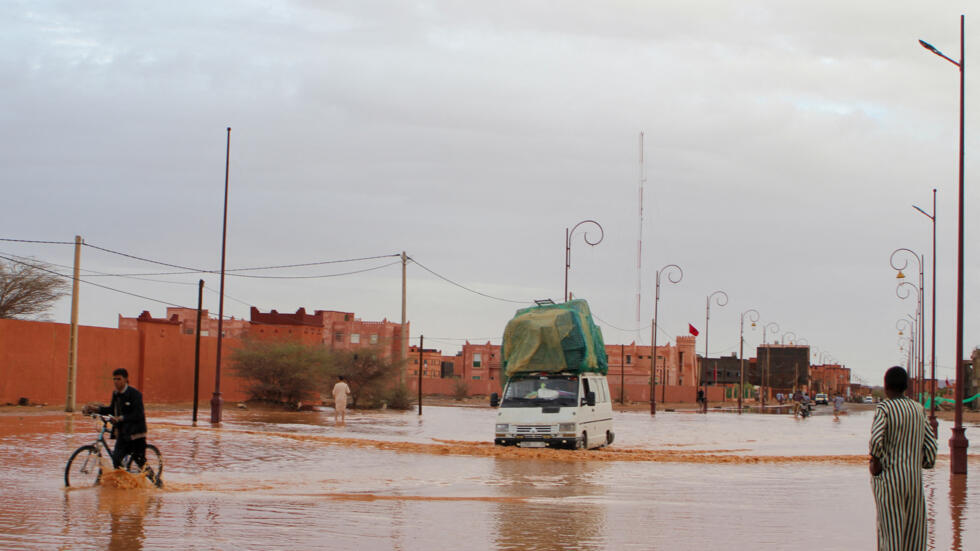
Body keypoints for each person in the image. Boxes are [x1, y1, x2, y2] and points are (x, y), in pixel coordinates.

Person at [869, 366, 937, 551]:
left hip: (889, 480)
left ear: (886, 386)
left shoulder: (885, 408)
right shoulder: (918, 409)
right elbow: (931, 447)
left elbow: (876, 440)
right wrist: (922, 463)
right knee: (914, 535)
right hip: (914, 482)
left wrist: (875, 464)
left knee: (890, 533)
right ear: (905, 386)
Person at [82, 368, 152, 480]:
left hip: (136, 434)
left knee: (141, 464)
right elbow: (111, 409)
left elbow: (138, 414)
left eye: (118, 379)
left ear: (125, 380)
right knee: (116, 459)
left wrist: (121, 418)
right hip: (123, 433)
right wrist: (95, 409)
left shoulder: (135, 394)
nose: (116, 382)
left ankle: (157, 483)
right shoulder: (116, 394)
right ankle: (124, 484)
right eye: (114, 379)